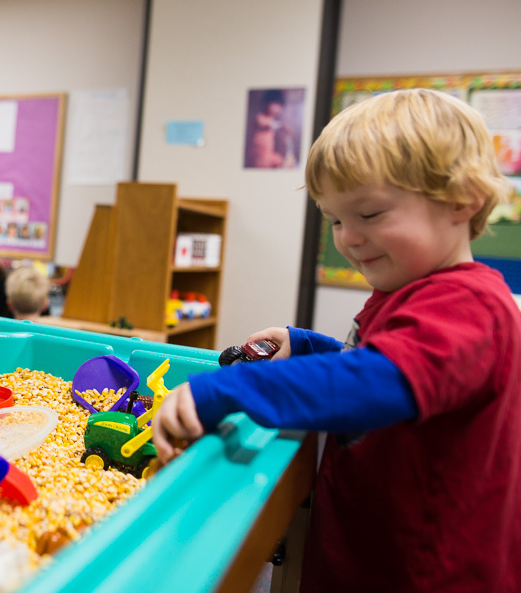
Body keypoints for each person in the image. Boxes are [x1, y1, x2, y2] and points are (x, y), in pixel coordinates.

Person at [154, 89, 521, 591]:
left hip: (427, 573)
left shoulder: (468, 307)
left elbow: (377, 383)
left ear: (463, 200)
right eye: (335, 220)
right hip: (366, 554)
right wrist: (308, 346)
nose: (347, 237)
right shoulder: (412, 291)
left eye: (369, 215)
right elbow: (379, 361)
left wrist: (227, 392)